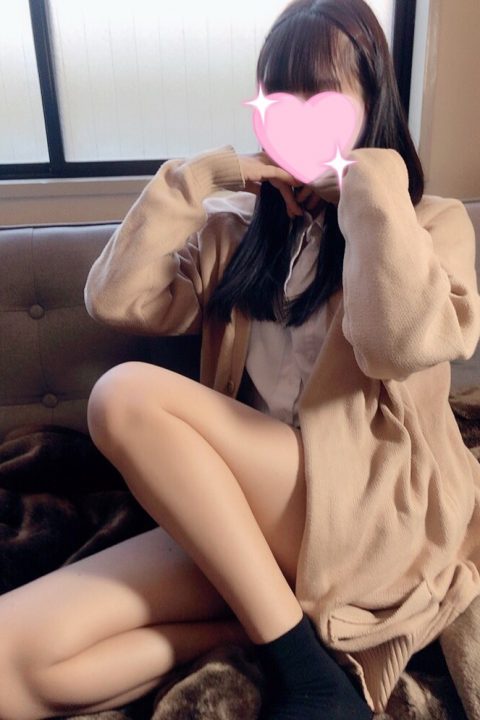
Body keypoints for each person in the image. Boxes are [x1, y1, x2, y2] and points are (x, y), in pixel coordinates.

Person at [1, 0, 479, 718]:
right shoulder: (238, 235)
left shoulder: (427, 222)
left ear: (372, 101)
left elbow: (398, 346)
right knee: (11, 663)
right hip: (245, 516)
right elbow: (117, 298)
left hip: (368, 510)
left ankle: (310, 679)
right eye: (281, 97)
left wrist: (366, 188)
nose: (299, 116)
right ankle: (285, 638)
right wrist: (201, 178)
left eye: (322, 95)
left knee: (122, 393)